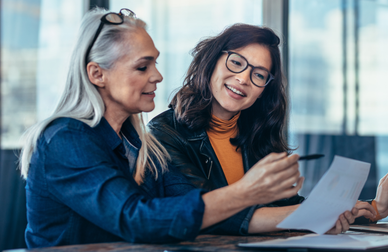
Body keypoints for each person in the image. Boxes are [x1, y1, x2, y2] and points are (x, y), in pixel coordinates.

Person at [19, 9, 305, 248]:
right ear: (97, 74)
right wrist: (246, 191)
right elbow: (137, 220)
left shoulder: (141, 144)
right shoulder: (66, 139)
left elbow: (186, 208)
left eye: (155, 63)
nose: (157, 76)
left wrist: (316, 214)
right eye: (143, 67)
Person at [148, 23, 388, 234]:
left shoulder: (256, 135)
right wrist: (315, 216)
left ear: (263, 91)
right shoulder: (164, 133)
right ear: (212, 61)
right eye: (236, 62)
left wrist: (375, 207)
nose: (243, 79)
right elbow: (204, 214)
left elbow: (286, 207)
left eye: (259, 75)